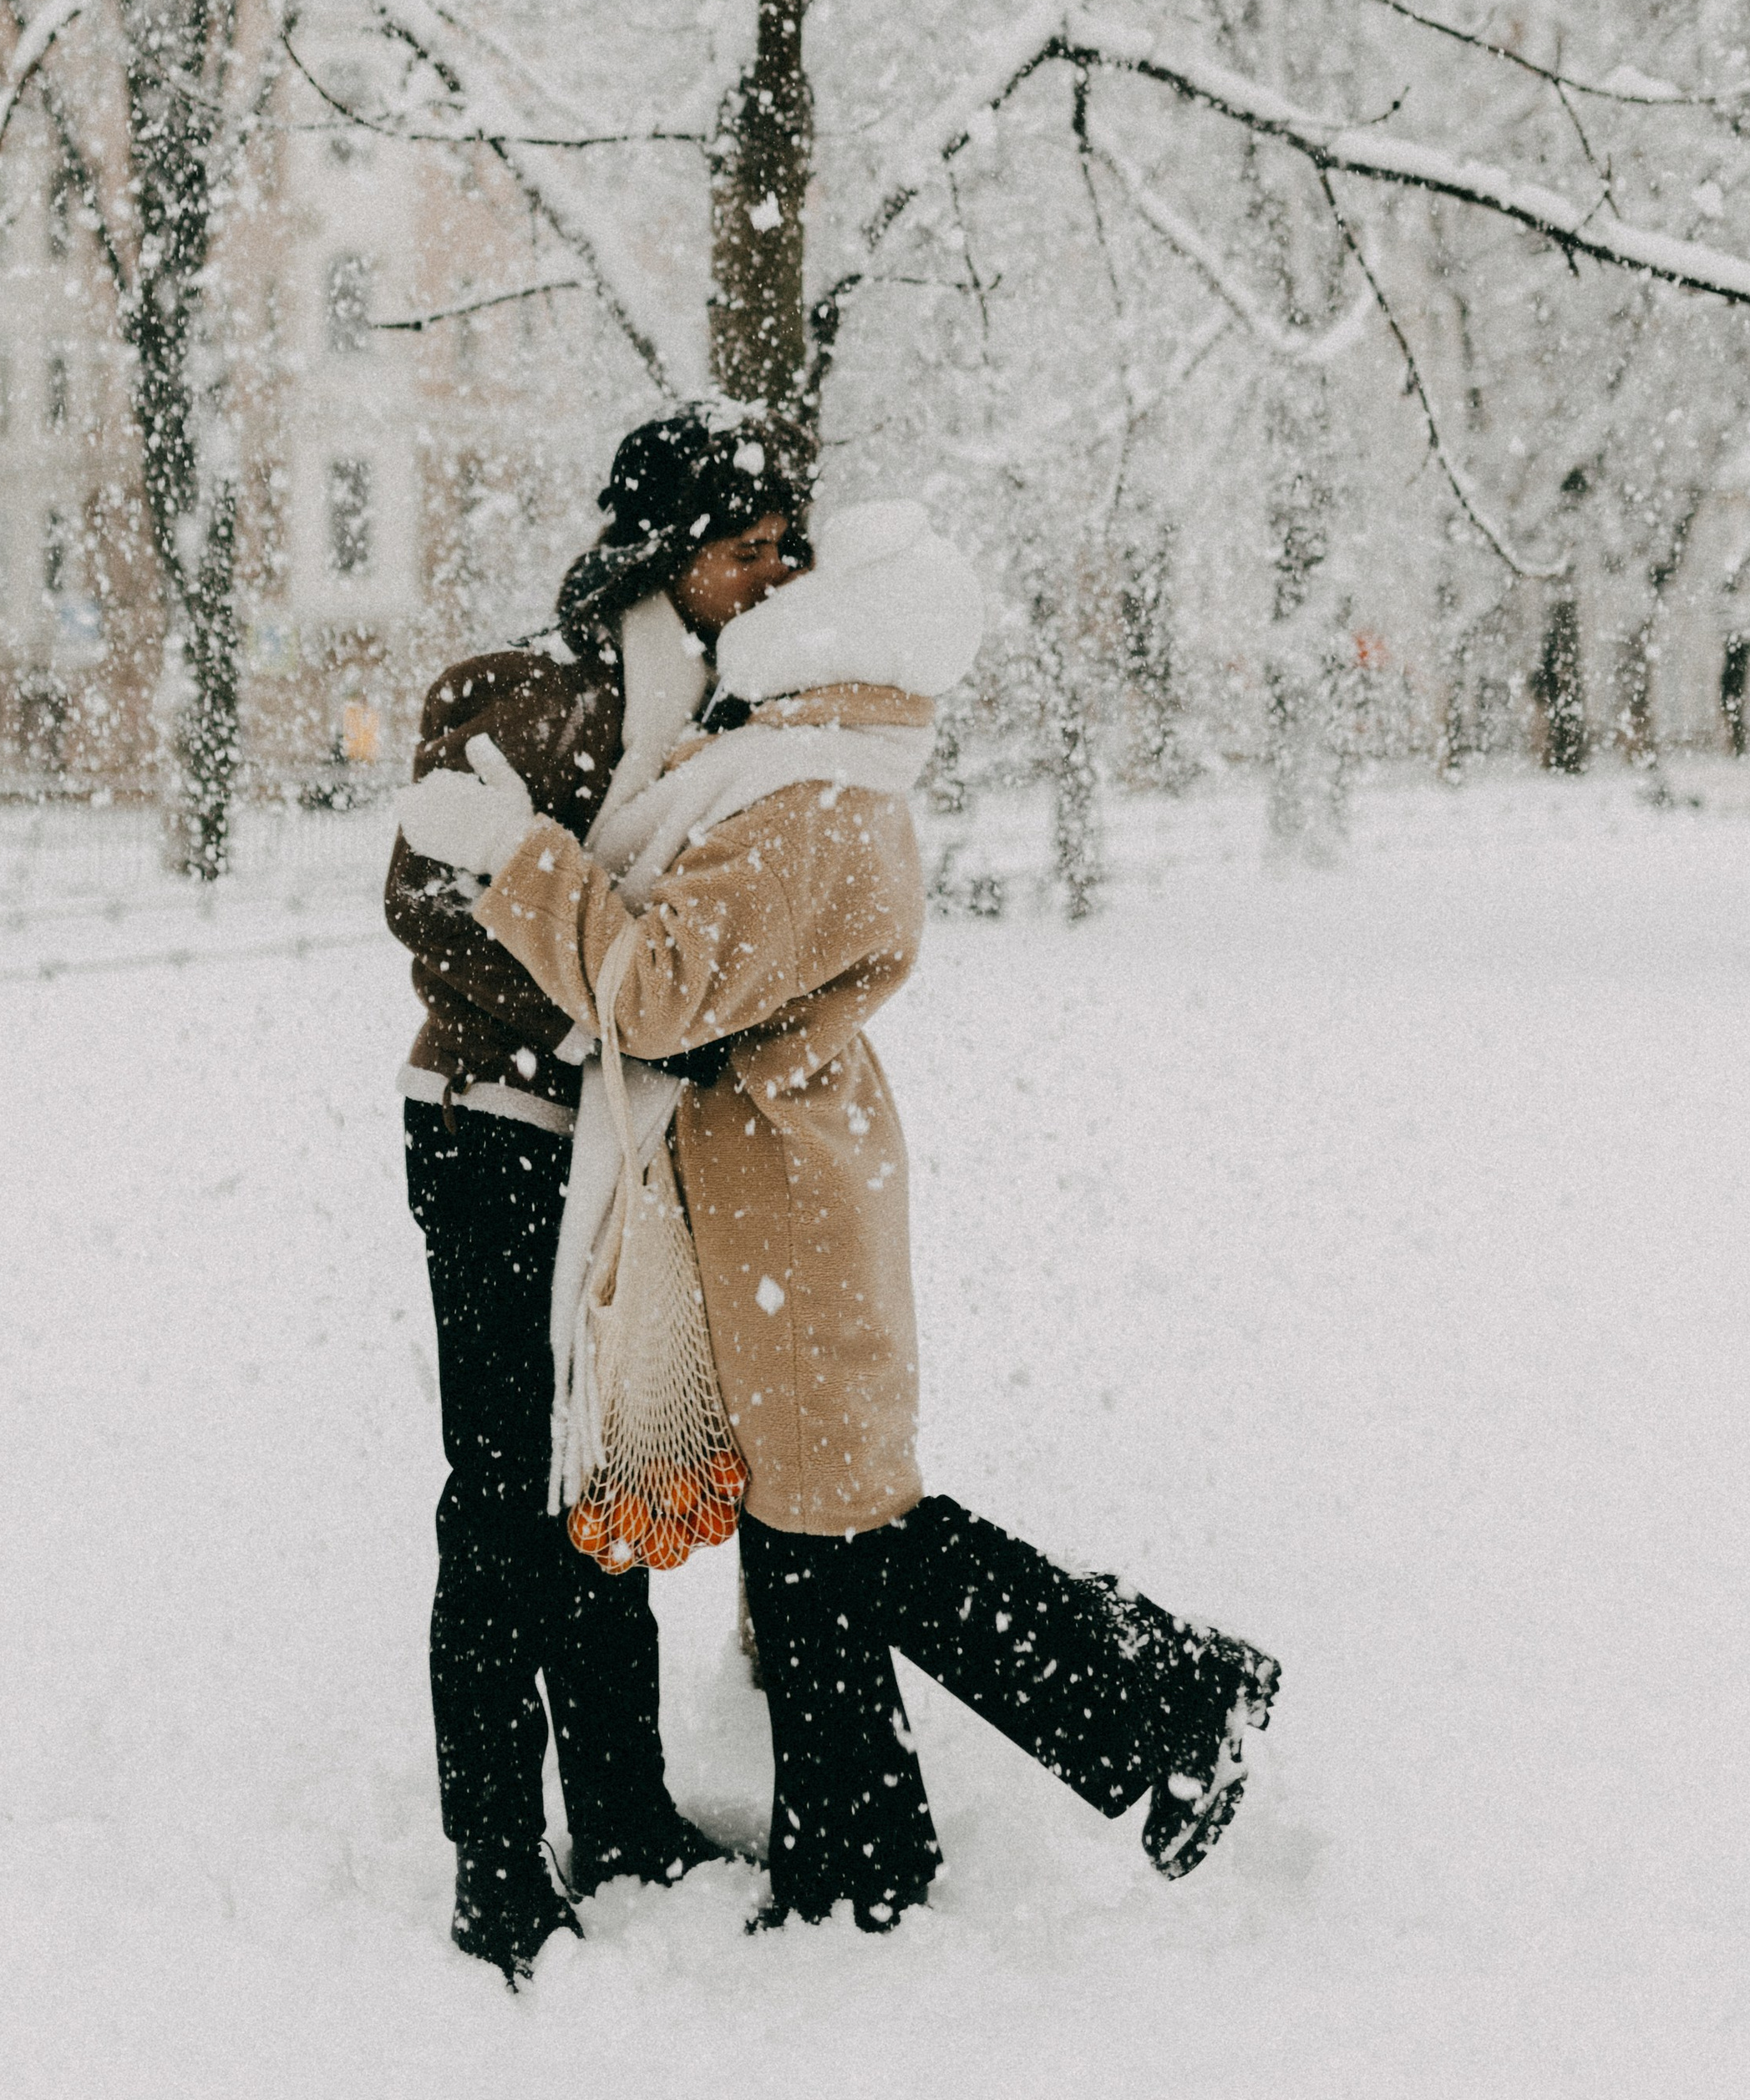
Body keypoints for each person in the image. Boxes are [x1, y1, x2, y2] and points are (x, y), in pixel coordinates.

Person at [399, 499, 1281, 1938]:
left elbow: (655, 989)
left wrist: (518, 858)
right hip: (774, 1195)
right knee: (817, 1540)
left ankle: (1167, 1700)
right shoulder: (788, 759)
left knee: (860, 1536)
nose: (766, 591)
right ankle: (862, 1853)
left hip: (787, 1216)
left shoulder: (809, 795)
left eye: (794, 574)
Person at [387, 401, 815, 1983]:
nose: (768, 576)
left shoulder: (742, 717)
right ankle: (497, 1855)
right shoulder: (522, 695)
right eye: (739, 549)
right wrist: (590, 1006)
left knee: (604, 1476)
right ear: (662, 551)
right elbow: (429, 900)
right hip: (492, 1127)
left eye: (784, 551)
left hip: (620, 1152)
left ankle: (622, 1807)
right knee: (504, 1491)